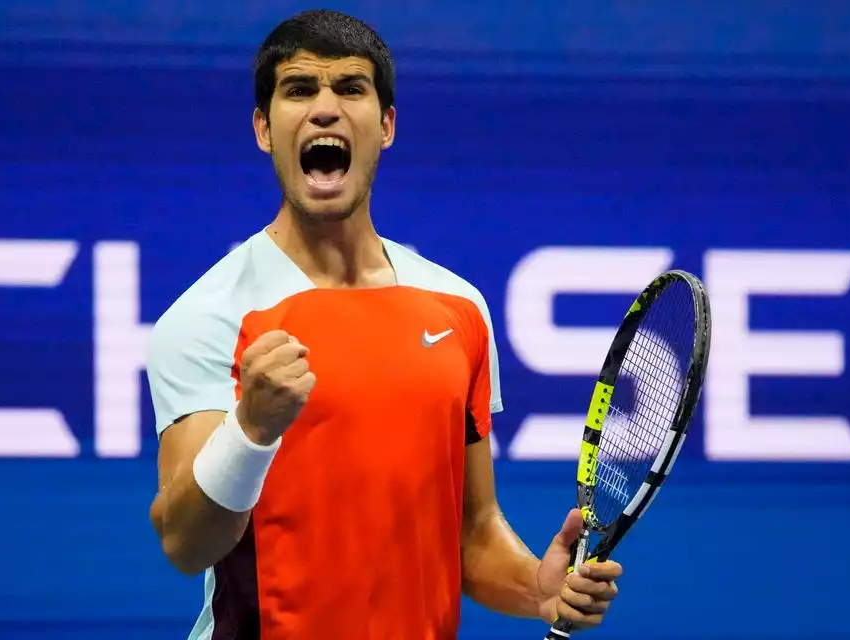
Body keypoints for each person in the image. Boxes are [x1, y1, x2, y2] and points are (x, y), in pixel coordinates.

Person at [145, 9, 623, 639]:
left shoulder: (458, 308)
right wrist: (251, 429)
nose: (324, 109)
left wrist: (538, 586)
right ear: (264, 128)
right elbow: (186, 543)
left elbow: (472, 531)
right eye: (298, 90)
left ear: (386, 125)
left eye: (350, 88)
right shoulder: (210, 315)